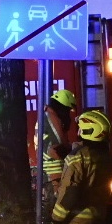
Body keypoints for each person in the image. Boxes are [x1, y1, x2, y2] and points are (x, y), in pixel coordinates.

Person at [41, 88, 76, 216]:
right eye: (67, 110)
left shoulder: (48, 115)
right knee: (58, 203)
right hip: (53, 168)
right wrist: (76, 148)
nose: (68, 114)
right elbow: (59, 147)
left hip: (50, 166)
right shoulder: (51, 117)